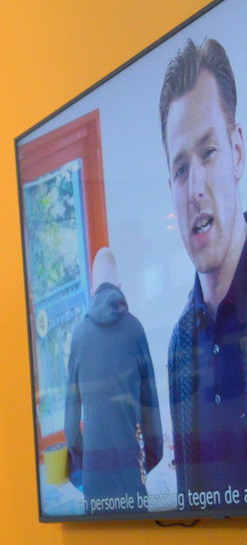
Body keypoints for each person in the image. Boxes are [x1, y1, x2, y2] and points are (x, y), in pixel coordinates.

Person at [161, 37, 247, 496]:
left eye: (208, 152)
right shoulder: (179, 347)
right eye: (180, 168)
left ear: (237, 151)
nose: (194, 188)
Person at [63, 247, 162, 513]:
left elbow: (71, 429)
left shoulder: (79, 337)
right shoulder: (135, 330)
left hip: (94, 484)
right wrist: (143, 464)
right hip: (131, 479)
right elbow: (152, 416)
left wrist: (89, 468)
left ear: (92, 290)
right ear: (120, 287)